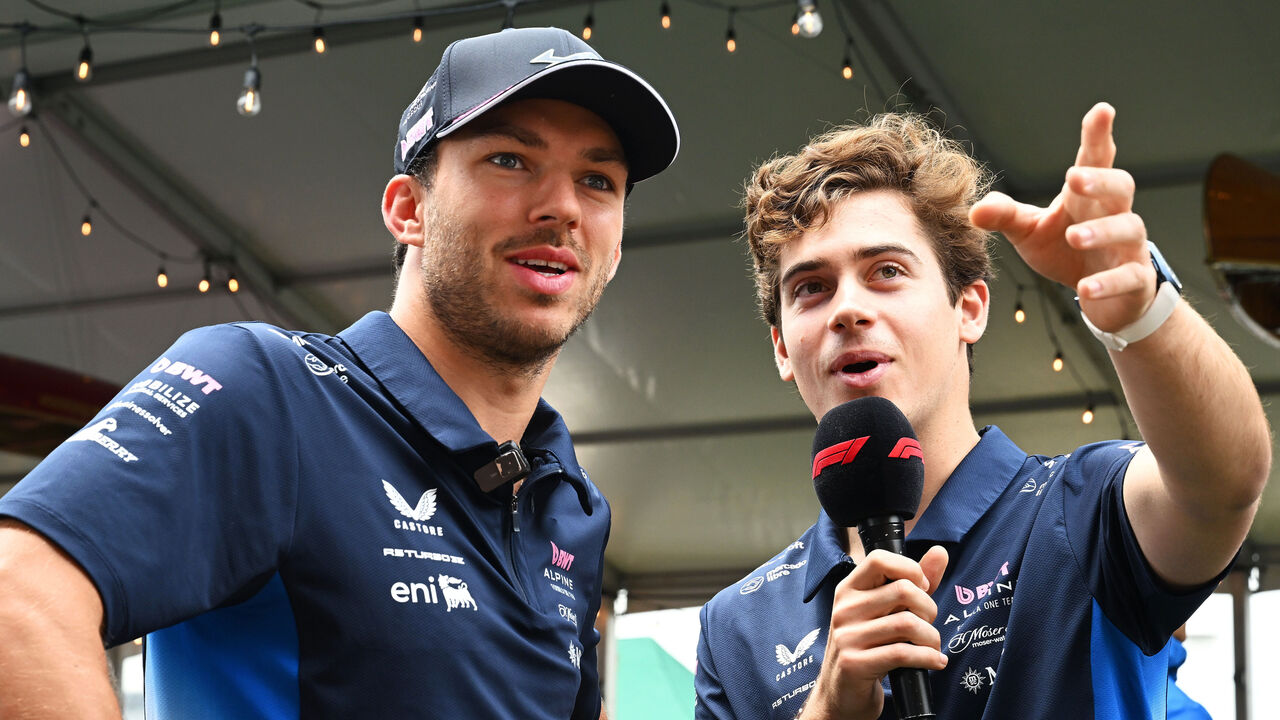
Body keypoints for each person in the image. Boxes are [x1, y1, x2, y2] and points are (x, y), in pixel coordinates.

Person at [0, 26, 678, 719]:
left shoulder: (570, 501)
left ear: (615, 248)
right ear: (409, 210)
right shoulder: (269, 391)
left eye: (598, 181)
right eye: (510, 160)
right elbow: (15, 595)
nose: (563, 206)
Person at [694, 106, 1270, 719]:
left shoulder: (1080, 508)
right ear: (783, 348)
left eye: (887, 271)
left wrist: (1143, 313)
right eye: (811, 287)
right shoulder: (735, 627)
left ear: (969, 309)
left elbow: (1224, 483)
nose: (847, 310)